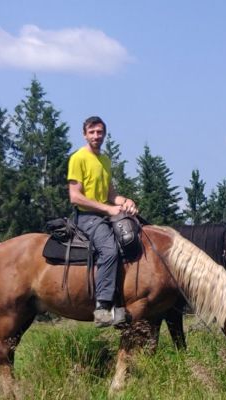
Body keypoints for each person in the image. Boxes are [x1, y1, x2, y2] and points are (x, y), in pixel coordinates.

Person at [67, 116, 138, 327]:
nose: (96, 136)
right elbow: (75, 196)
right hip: (86, 217)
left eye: (99, 132)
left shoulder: (105, 160)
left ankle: (122, 302)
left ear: (104, 134)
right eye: (92, 132)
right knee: (109, 250)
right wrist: (108, 208)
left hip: (104, 214)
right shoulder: (78, 158)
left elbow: (110, 193)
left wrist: (126, 202)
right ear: (84, 134)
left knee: (132, 240)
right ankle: (103, 307)